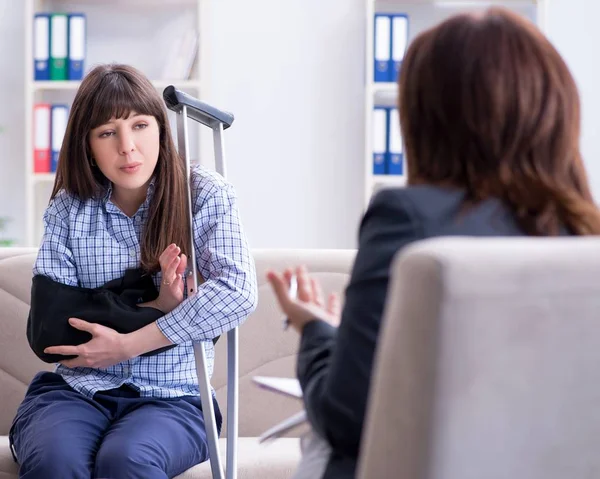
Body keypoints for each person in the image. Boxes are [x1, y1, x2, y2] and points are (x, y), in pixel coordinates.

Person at [267, 7, 600, 479]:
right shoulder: (582, 235)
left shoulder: (408, 217)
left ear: (425, 117)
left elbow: (349, 419)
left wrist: (315, 330)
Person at [9, 63, 257, 479]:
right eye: (107, 133)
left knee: (126, 460)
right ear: (87, 145)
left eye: (140, 125)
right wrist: (160, 306)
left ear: (161, 128)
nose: (128, 147)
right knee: (56, 461)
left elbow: (237, 293)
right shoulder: (70, 209)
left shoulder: (204, 194)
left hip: (175, 397)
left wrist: (129, 343)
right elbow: (50, 329)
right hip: (77, 391)